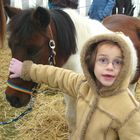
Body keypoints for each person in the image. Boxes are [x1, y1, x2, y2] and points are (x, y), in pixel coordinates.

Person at [9, 32, 140, 140]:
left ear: (126, 66)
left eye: (117, 62)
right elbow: (58, 75)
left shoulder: (129, 110)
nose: (110, 67)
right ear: (91, 63)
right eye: (103, 60)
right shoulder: (85, 85)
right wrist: (27, 70)